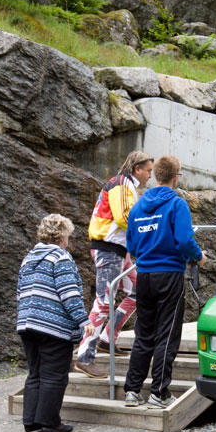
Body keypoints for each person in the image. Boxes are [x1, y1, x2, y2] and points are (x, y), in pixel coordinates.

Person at [123, 155, 207, 408]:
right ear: (176, 176)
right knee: (168, 334)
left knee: (143, 334)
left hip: (144, 276)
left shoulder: (138, 207)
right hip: (169, 274)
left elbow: (131, 244)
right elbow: (183, 239)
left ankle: (132, 390)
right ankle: (159, 393)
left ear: (156, 174)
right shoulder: (177, 204)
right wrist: (199, 257)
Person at [76, 150, 154, 379]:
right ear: (137, 169)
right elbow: (122, 216)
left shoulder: (124, 184)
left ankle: (107, 339)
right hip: (108, 248)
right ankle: (84, 356)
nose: (150, 175)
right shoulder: (121, 184)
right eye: (148, 170)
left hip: (118, 249)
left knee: (139, 292)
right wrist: (146, 234)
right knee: (103, 301)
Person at [16, 214, 94, 432]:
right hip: (52, 326)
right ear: (62, 235)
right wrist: (83, 319)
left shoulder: (29, 258)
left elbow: (20, 292)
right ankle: (50, 422)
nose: (69, 239)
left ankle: (31, 421)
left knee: (36, 373)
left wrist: (24, 317)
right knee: (55, 374)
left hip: (26, 324)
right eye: (68, 235)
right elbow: (68, 292)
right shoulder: (60, 257)